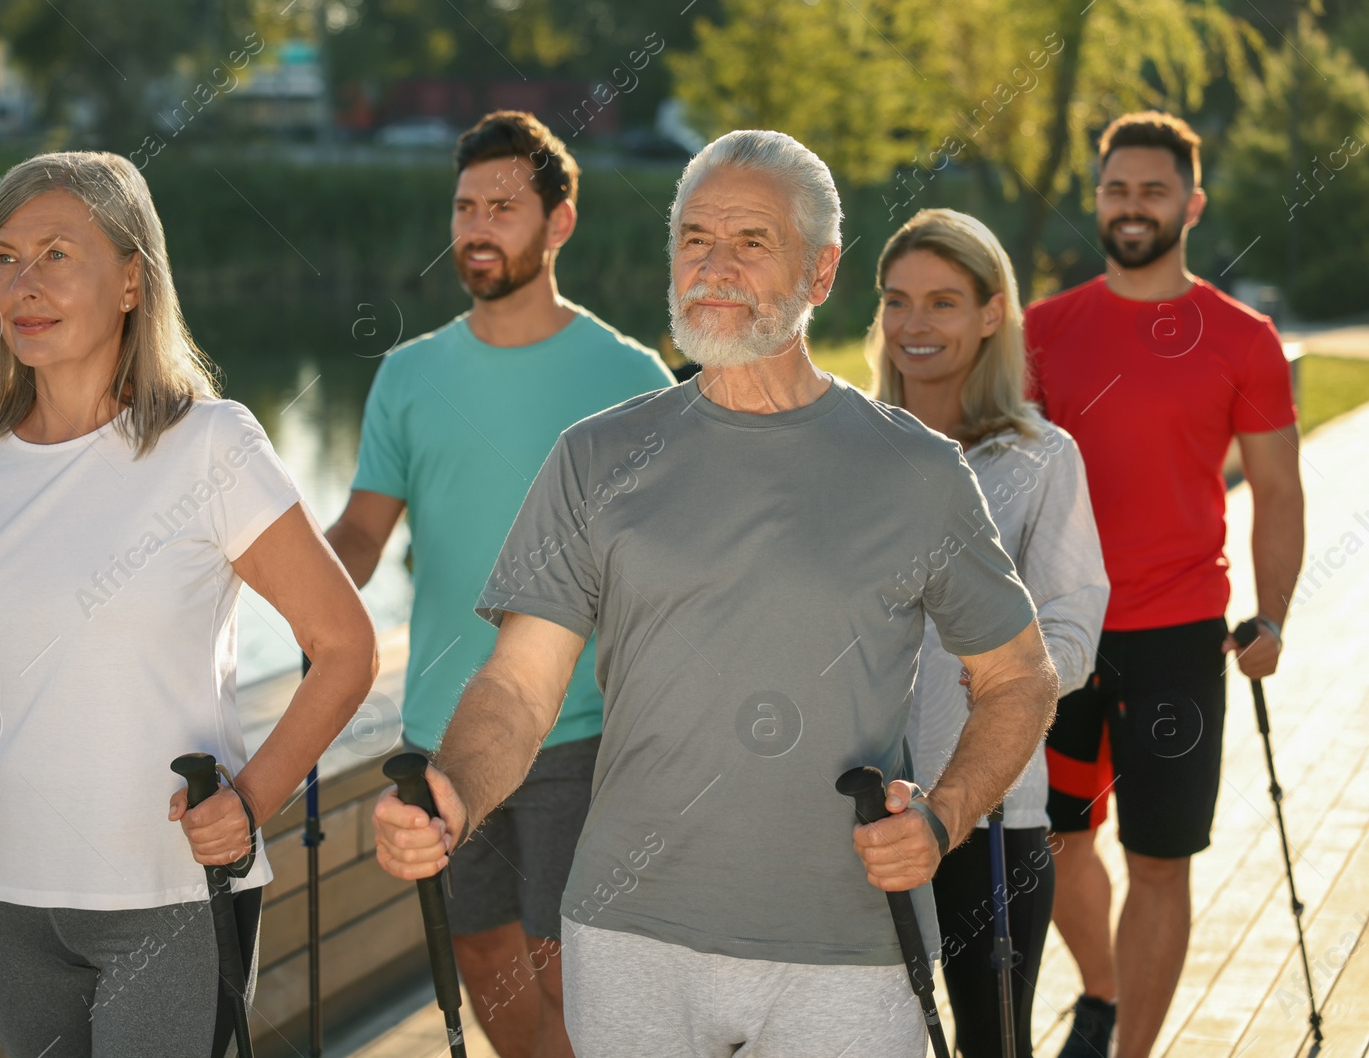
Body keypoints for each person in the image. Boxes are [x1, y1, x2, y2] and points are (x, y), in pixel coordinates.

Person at [373, 129, 1060, 1054]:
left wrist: (942, 818)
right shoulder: (595, 456)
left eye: (751, 241)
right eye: (695, 238)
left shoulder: (918, 471)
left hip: (850, 948)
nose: (715, 265)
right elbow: (520, 685)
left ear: (821, 273)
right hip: (628, 939)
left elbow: (1020, 678)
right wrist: (453, 786)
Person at [0, 151, 377, 1058]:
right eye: (2, 257)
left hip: (171, 897)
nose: (23, 283)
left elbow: (344, 647)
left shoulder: (209, 445)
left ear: (133, 279)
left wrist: (251, 801)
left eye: (58, 252)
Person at [324, 111, 672, 1058]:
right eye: (466, 206)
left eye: (504, 207)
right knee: (483, 956)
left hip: (579, 726)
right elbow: (361, 530)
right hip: (438, 727)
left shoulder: (628, 374)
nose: (478, 226)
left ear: (559, 223)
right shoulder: (408, 373)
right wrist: (261, 598)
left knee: (574, 968)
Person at [1025, 111, 1305, 1058]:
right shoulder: (1040, 332)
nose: (1132, 206)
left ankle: (1130, 1049)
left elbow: (1277, 489)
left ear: (1191, 203)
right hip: (1055, 632)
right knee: (1056, 845)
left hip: (1180, 637)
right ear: (1094, 199)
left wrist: (1272, 613)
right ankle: (1101, 990)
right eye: (1116, 189)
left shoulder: (1243, 339)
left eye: (1152, 190)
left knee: (1160, 860)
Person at [868, 208, 1108, 1057]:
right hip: (858, 806)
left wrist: (1021, 674)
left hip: (993, 809)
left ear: (990, 313)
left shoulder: (1042, 460)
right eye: (897, 301)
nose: (915, 325)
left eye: (942, 301)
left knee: (992, 1043)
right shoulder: (850, 452)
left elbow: (1077, 617)